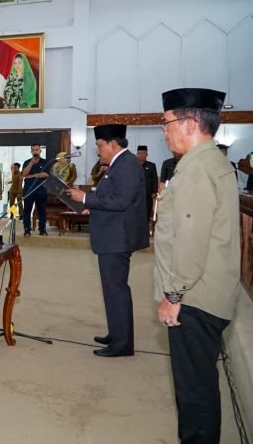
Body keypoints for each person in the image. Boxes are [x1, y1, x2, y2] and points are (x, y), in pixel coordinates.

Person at [144, 88, 240, 444]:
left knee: (194, 387)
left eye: (166, 122)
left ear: (190, 122)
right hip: (206, 292)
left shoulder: (197, 169)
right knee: (199, 382)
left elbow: (190, 241)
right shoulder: (210, 162)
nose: (163, 131)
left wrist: (173, 295)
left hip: (194, 297)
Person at [67, 124, 149, 358]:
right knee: (112, 290)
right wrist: (91, 206)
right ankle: (116, 334)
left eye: (99, 145)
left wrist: (85, 198)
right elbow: (110, 197)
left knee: (116, 290)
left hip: (117, 238)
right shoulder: (119, 164)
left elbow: (121, 201)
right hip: (113, 235)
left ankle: (122, 344)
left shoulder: (127, 165)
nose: (98, 150)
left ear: (113, 144)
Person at [21, 143, 49, 236]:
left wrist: (33, 175)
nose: (35, 151)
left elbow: (46, 174)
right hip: (28, 190)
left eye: (37, 150)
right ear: (31, 151)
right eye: (33, 150)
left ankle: (42, 229)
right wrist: (31, 163)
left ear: (40, 151)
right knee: (27, 209)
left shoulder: (45, 162)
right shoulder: (27, 162)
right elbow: (24, 174)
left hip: (41, 189)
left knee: (41, 209)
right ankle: (27, 229)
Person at [136, 145, 158, 220]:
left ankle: (146, 226)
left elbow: (155, 179)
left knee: (147, 212)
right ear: (136, 154)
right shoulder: (133, 165)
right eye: (139, 153)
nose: (141, 155)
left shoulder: (151, 165)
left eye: (143, 153)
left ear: (147, 155)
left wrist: (154, 191)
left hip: (147, 194)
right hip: (135, 194)